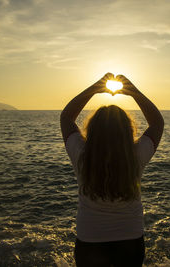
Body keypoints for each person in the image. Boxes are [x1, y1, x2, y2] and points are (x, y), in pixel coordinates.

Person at [60, 73, 164, 267]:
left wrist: (95, 88)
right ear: (127, 130)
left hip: (90, 240)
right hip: (130, 240)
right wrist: (133, 92)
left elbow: (66, 117)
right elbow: (157, 123)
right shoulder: (136, 155)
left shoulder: (81, 155)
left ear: (92, 129)